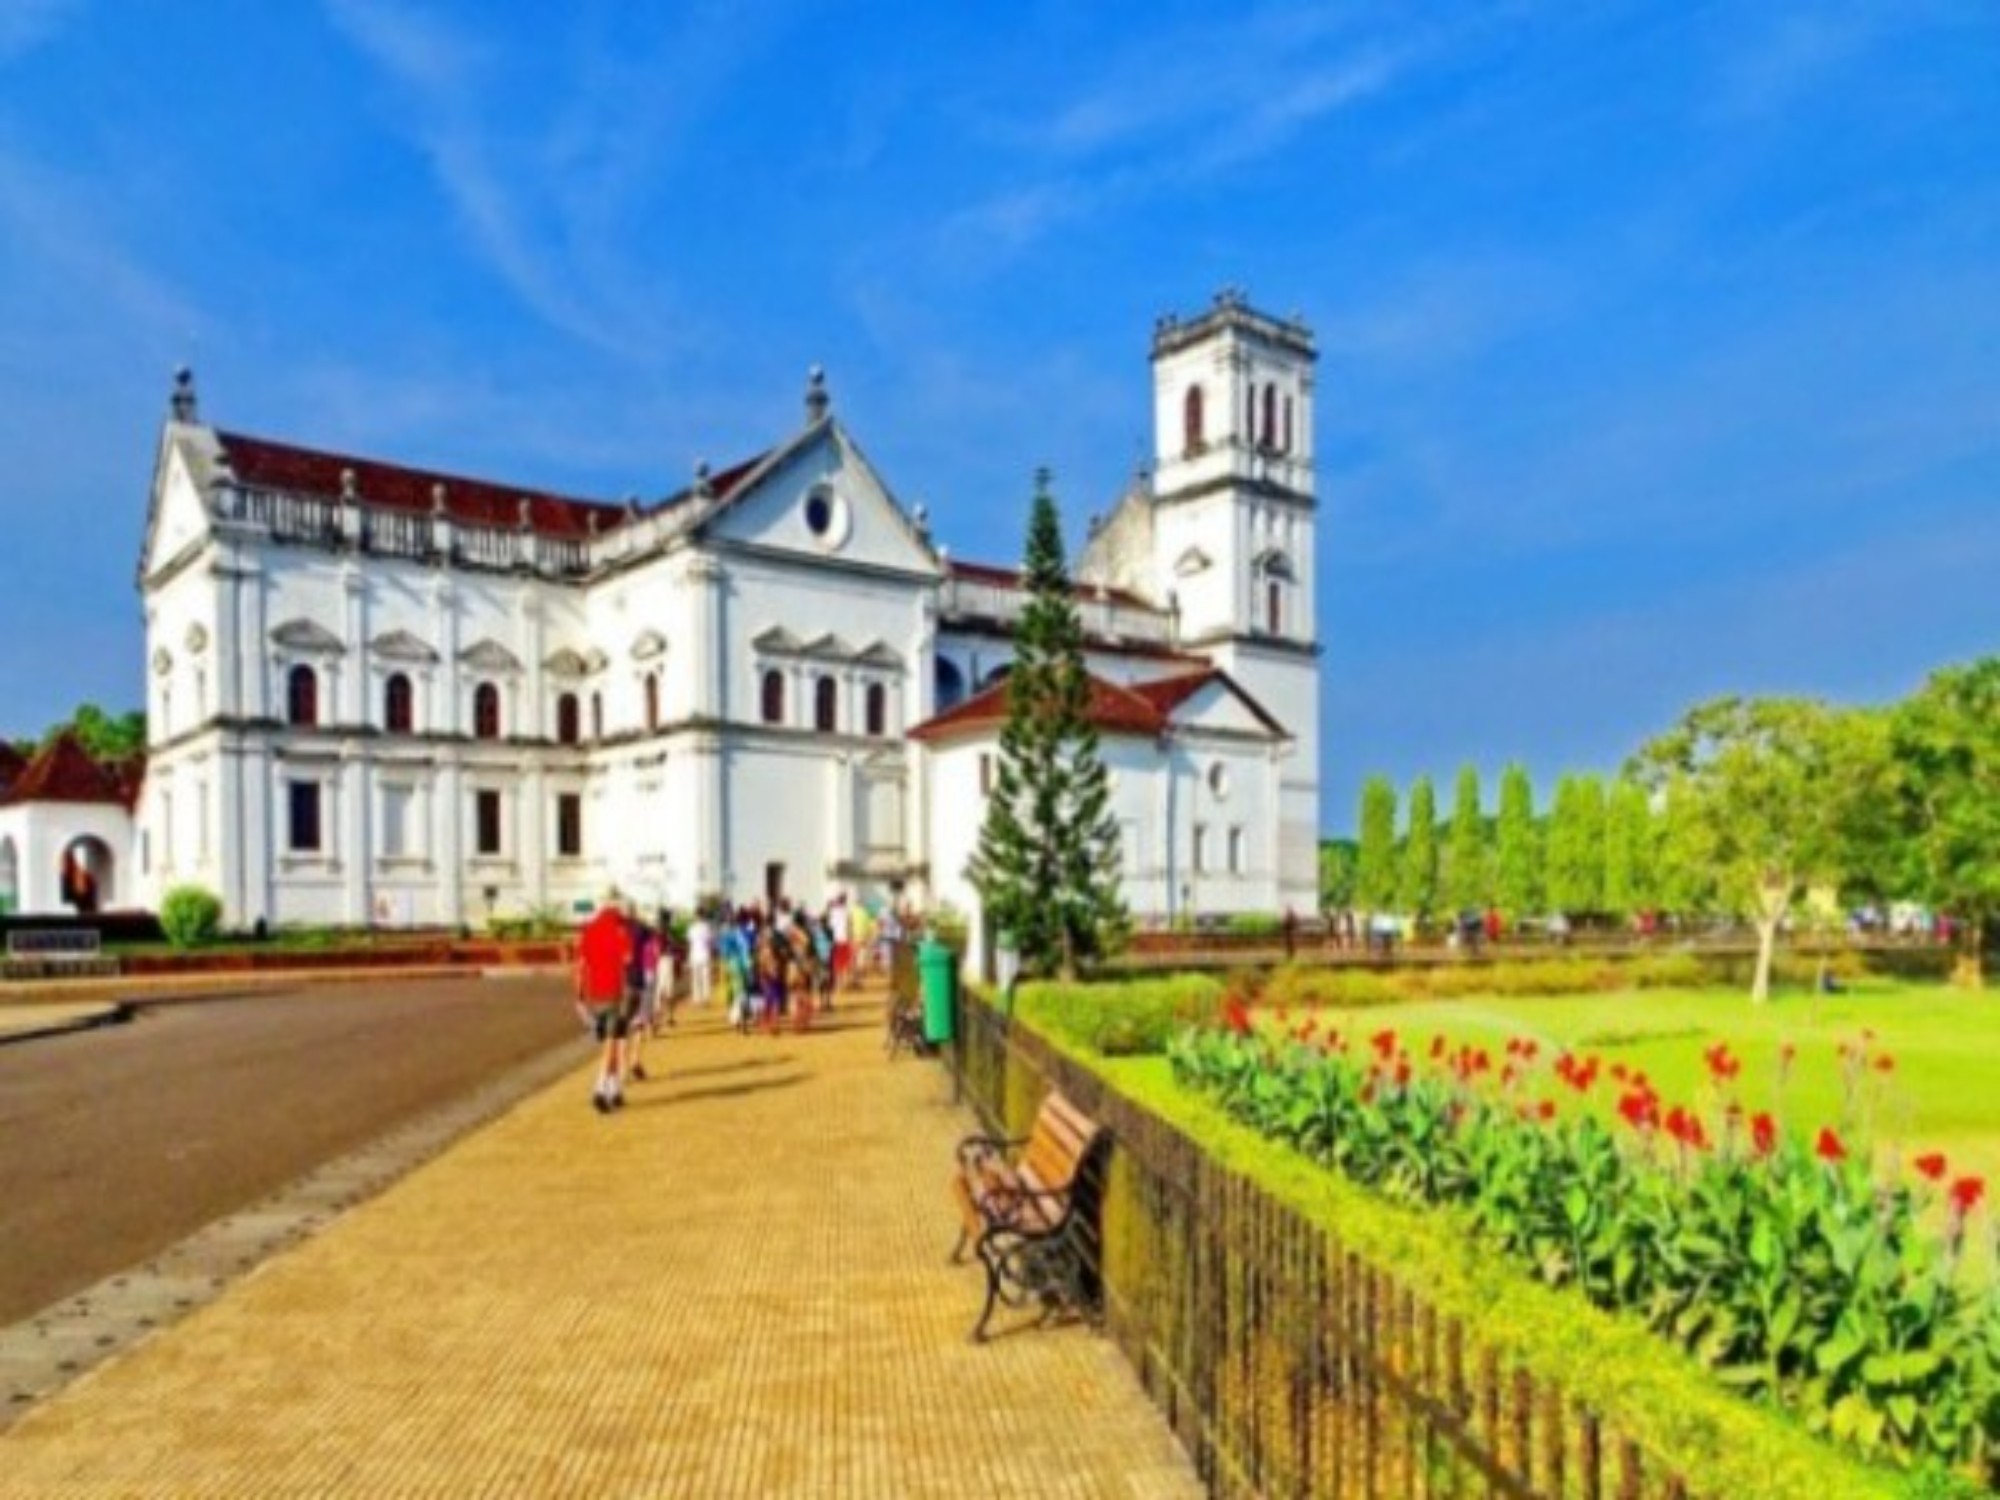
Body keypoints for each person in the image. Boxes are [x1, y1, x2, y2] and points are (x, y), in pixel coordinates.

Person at [575, 893, 634, 1114]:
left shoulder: (588, 930)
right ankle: (600, 1089)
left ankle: (614, 1090)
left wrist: (579, 995)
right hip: (615, 992)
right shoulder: (620, 931)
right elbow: (628, 959)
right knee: (612, 1042)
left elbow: (581, 965)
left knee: (611, 1042)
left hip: (595, 994)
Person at [624, 915, 660, 1083]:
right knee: (639, 1025)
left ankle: (624, 1069)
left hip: (627, 985)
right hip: (643, 984)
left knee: (623, 1029)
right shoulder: (649, 941)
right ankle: (635, 1061)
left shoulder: (625, 943)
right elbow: (655, 959)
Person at [687, 909, 715, 1007]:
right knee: (705, 978)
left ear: (696, 916)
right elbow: (710, 942)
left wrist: (688, 957)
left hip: (695, 955)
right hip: (705, 954)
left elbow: (690, 943)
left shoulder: (692, 928)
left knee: (696, 978)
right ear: (703, 916)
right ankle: (706, 999)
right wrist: (711, 953)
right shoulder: (707, 927)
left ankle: (697, 999)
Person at [829, 894, 853, 994]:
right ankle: (843, 984)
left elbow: (830, 926)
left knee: (836, 964)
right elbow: (849, 926)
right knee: (845, 963)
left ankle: (838, 984)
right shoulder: (847, 911)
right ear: (845, 901)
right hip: (844, 939)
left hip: (835, 940)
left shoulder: (833, 912)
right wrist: (851, 938)